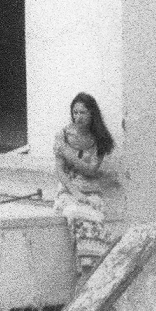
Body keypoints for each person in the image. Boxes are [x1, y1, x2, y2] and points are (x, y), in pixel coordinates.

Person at [53, 92, 117, 273]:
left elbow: (91, 169)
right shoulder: (63, 136)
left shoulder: (98, 139)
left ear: (92, 115)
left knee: (94, 214)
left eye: (83, 113)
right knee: (75, 212)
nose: (78, 117)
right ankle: (86, 265)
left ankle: (96, 261)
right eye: (75, 112)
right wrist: (75, 193)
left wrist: (68, 153)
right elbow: (60, 172)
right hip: (68, 189)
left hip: (91, 190)